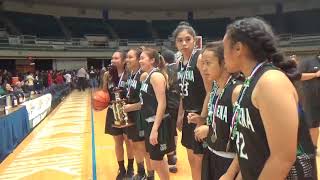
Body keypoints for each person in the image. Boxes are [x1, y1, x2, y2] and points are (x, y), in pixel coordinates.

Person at [220, 17, 316, 179]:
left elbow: (282, 159)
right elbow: (251, 144)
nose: (223, 56)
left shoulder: (270, 82)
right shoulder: (250, 82)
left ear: (238, 49)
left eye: (224, 49)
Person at [187, 42, 242, 180]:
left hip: (229, 161)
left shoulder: (237, 90)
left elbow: (245, 137)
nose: (204, 68)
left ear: (223, 63)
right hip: (211, 154)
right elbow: (221, 120)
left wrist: (209, 131)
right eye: (202, 64)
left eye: (208, 63)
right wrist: (201, 120)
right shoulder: (215, 89)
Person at [174, 21, 206, 180]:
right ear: (175, 43)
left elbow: (209, 91)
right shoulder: (179, 63)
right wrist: (180, 115)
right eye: (180, 40)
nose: (184, 43)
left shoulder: (199, 59)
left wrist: (203, 118)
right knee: (191, 159)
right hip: (187, 115)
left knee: (200, 160)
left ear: (195, 40)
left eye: (188, 39)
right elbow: (182, 93)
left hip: (200, 113)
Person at [139, 47, 175, 180]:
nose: (140, 60)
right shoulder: (148, 76)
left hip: (158, 123)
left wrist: (155, 129)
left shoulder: (156, 76)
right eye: (140, 58)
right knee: (156, 160)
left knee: (157, 160)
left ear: (152, 60)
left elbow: (162, 103)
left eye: (143, 58)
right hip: (150, 121)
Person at [103, 50, 134, 180]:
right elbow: (104, 93)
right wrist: (100, 100)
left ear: (123, 60)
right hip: (113, 111)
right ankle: (121, 169)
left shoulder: (130, 74)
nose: (113, 60)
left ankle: (131, 168)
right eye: (112, 58)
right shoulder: (107, 75)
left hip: (127, 111)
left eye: (116, 58)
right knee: (117, 142)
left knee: (129, 142)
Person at [123, 47, 153, 180]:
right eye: (127, 57)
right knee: (134, 144)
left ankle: (150, 175)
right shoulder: (130, 74)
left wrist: (130, 107)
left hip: (140, 115)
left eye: (131, 57)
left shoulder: (143, 75)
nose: (127, 60)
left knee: (144, 148)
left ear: (138, 59)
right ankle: (140, 172)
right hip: (131, 115)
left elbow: (145, 101)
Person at [161, 48, 179, 173]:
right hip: (180, 105)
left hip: (169, 106)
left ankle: (171, 160)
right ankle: (174, 155)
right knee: (174, 132)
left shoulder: (164, 71)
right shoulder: (179, 68)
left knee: (169, 133)